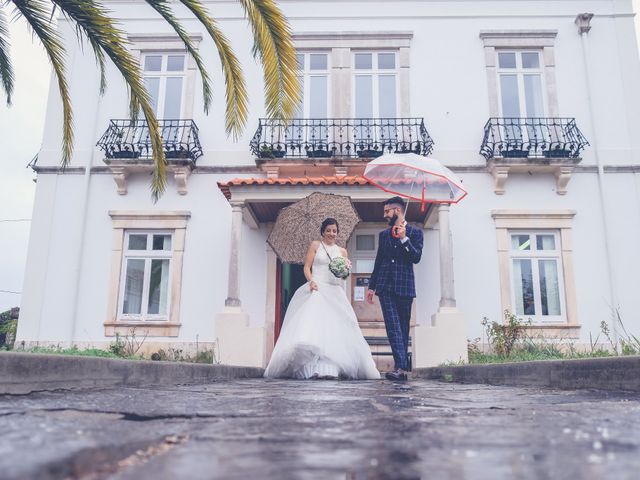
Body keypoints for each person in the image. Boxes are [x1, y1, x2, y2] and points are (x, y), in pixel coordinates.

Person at [264, 218, 380, 380]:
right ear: (323, 232)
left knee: (336, 327)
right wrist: (311, 280)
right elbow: (306, 267)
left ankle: (331, 367)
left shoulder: (342, 251)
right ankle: (311, 367)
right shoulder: (315, 246)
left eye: (334, 231)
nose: (332, 233)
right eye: (329, 230)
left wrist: (343, 272)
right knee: (314, 324)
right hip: (317, 288)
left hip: (334, 291)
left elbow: (344, 277)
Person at [366, 197, 424, 381]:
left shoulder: (415, 233)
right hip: (385, 286)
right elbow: (379, 260)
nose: (384, 215)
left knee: (403, 328)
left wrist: (404, 239)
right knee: (392, 327)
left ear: (397, 211)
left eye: (387, 212)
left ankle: (402, 366)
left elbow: (416, 257)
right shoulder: (383, 235)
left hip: (405, 286)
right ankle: (400, 366)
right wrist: (371, 286)